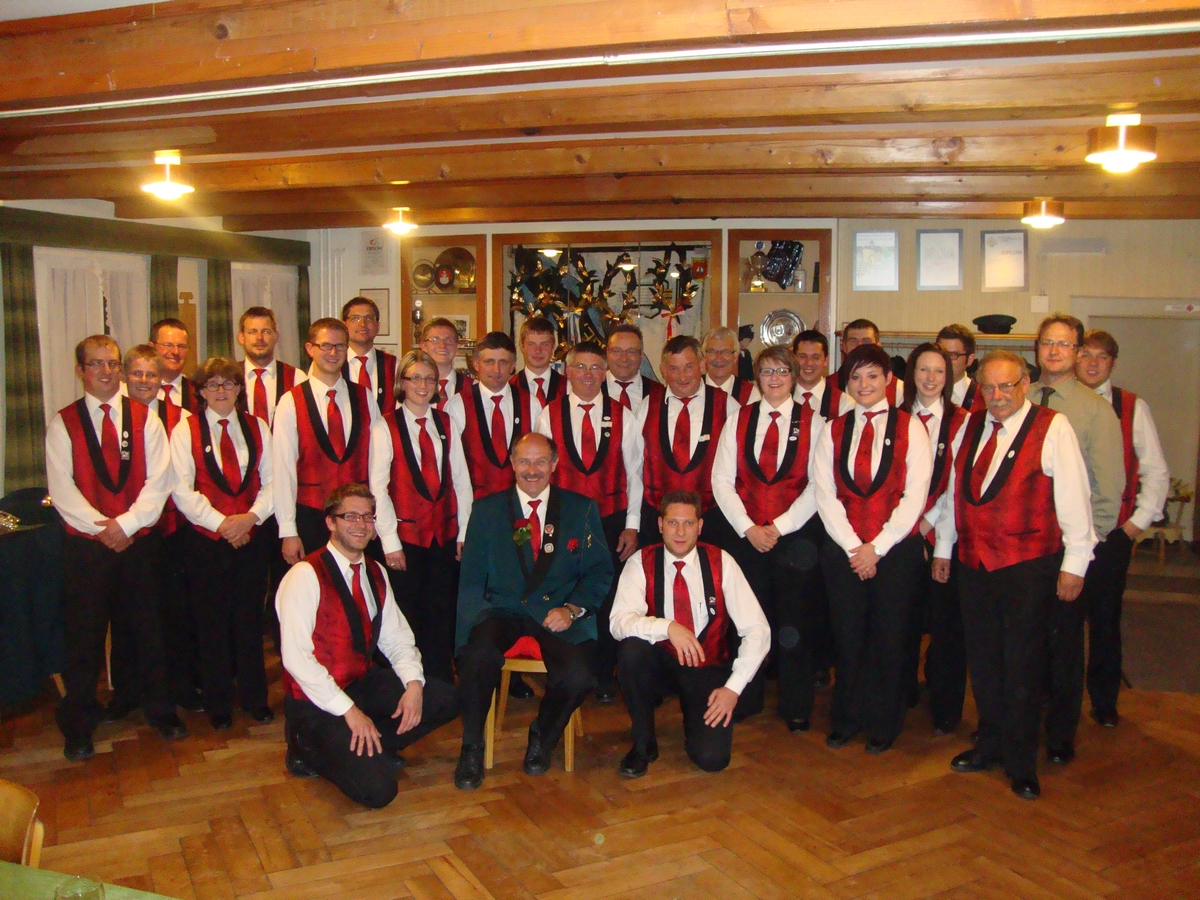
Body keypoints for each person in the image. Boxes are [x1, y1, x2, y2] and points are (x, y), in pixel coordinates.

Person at [934, 351, 1095, 800]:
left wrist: (1075, 564)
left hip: (1028, 565)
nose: (998, 395)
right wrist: (945, 547)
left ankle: (1022, 761)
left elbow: (1075, 497)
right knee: (984, 662)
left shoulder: (1053, 427)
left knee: (1023, 665)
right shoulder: (970, 426)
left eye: (1006, 386)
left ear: (1025, 384)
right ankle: (990, 744)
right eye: (989, 387)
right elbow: (953, 493)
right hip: (974, 564)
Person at [45, 335, 185, 760]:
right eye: (96, 364)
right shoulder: (63, 423)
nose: (105, 371)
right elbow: (61, 489)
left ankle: (160, 710)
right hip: (86, 549)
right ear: (80, 370)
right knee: (84, 639)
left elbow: (159, 481)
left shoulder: (147, 419)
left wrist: (126, 525)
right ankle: (79, 725)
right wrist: (102, 529)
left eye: (111, 364)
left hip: (138, 542)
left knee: (149, 629)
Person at [277, 483, 459, 809]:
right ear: (330, 522)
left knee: (445, 698)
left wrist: (413, 684)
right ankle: (305, 747)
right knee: (378, 791)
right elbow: (296, 659)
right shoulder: (304, 576)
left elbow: (397, 637)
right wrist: (349, 712)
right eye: (351, 516)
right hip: (315, 701)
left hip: (361, 682)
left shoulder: (375, 571)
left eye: (368, 517)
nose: (361, 524)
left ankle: (373, 745)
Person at [453, 433, 613, 790]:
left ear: (554, 464)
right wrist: (464, 639)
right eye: (524, 461)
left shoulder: (581, 508)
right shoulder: (487, 510)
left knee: (579, 676)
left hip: (558, 612)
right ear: (511, 463)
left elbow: (599, 571)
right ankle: (472, 746)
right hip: (502, 610)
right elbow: (472, 579)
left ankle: (543, 734)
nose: (532, 470)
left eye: (541, 461)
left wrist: (572, 609)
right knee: (475, 659)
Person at [812, 343, 931, 753]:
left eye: (873, 376)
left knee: (890, 637)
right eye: (856, 377)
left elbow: (915, 496)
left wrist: (876, 548)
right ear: (846, 383)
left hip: (895, 551)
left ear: (889, 380)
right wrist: (854, 547)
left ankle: (884, 721)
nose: (864, 384)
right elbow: (824, 494)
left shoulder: (912, 428)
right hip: (844, 551)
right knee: (847, 637)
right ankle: (847, 717)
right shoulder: (832, 429)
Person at [610, 490, 770, 776]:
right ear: (660, 524)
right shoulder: (640, 562)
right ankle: (643, 743)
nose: (680, 532)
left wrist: (733, 689)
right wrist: (668, 627)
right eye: (673, 523)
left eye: (688, 523)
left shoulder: (722, 562)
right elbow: (618, 622)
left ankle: (695, 716)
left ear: (700, 526)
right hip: (660, 663)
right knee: (631, 651)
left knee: (711, 760)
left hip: (706, 667)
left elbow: (758, 629)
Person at [1029, 314, 1125, 766]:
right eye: (1047, 342)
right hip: (1024, 548)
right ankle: (1023, 722)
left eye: (1064, 344)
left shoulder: (1095, 410)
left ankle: (1061, 734)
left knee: (1064, 645)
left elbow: (1108, 490)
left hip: (1070, 549)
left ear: (1077, 352)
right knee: (1026, 644)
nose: (1053, 351)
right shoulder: (1019, 396)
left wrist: (1083, 553)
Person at [712, 346, 822, 732]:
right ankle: (747, 695)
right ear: (756, 378)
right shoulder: (738, 420)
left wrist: (780, 526)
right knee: (747, 620)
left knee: (795, 622)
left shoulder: (815, 423)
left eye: (781, 371)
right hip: (747, 537)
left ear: (794, 376)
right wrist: (748, 528)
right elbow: (721, 480)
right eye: (766, 372)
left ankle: (796, 704)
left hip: (794, 540)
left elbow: (819, 485)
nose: (774, 379)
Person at [536, 340, 644, 702]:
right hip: (564, 521)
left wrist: (632, 524)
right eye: (580, 367)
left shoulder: (623, 415)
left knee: (607, 596)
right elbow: (541, 474)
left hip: (610, 520)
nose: (588, 374)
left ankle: (603, 673)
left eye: (596, 368)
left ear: (605, 372)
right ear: (567, 371)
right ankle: (568, 671)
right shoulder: (548, 415)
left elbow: (635, 474)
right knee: (565, 591)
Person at [170, 357, 275, 730]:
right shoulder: (185, 430)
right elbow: (181, 489)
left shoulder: (258, 426)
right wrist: (222, 524)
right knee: (211, 623)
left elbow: (273, 481)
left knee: (249, 620)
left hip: (251, 537)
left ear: (239, 389)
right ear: (200, 392)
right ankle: (218, 704)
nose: (220, 391)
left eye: (228, 383)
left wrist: (250, 518)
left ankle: (255, 698)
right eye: (212, 384)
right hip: (206, 541)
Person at [1075, 330, 1169, 728]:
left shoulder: (1132, 407)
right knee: (1059, 621)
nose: (1093, 363)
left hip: (1111, 534)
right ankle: (1055, 698)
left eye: (1102, 357)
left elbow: (1156, 471)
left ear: (1112, 363)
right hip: (1062, 534)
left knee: (1104, 619)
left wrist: (1135, 525)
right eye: (1086, 354)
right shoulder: (1058, 402)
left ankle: (1104, 700)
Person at [369, 350, 473, 683]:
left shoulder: (447, 422)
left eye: (429, 378)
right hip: (405, 539)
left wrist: (463, 532)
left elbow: (461, 479)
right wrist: (389, 542)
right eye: (415, 378)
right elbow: (378, 489)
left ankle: (440, 684)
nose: (423, 385)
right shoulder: (384, 426)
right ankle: (406, 684)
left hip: (443, 535)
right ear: (402, 383)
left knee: (441, 613)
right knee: (405, 615)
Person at [112, 345, 203, 719]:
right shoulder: (112, 415)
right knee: (125, 614)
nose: (145, 381)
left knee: (176, 611)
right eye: (137, 373)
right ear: (124, 376)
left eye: (151, 374)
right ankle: (126, 691)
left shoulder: (181, 418)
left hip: (172, 529)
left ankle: (180, 686)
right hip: (128, 530)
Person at [899, 343, 969, 733]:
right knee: (903, 619)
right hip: (897, 535)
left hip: (943, 532)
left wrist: (925, 527)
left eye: (939, 371)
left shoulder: (964, 422)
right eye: (923, 370)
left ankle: (944, 707)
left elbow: (958, 486)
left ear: (949, 377)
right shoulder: (893, 416)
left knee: (946, 626)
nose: (930, 378)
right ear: (912, 374)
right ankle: (903, 691)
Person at [275, 318, 380, 563]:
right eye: (325, 346)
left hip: (359, 518)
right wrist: (288, 530)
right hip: (311, 516)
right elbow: (283, 470)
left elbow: (377, 464)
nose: (333, 353)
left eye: (340, 346)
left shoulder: (364, 397)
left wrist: (377, 518)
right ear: (310, 349)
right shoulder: (291, 401)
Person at [635, 335, 732, 550]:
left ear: (702, 365)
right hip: (657, 520)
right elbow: (635, 466)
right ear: (663, 370)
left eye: (688, 367)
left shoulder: (727, 406)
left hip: (712, 519)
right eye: (674, 368)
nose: (681, 376)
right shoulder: (647, 406)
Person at [790, 329, 836, 684]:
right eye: (802, 357)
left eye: (815, 357)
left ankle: (819, 663)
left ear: (826, 361)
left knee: (819, 593)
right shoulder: (774, 392)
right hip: (785, 516)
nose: (808, 364)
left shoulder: (843, 401)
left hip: (826, 516)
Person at [446, 331, 527, 501]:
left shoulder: (530, 403)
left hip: (520, 504)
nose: (496, 370)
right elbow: (451, 466)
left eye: (503, 362)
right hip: (474, 504)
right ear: (476, 364)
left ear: (513, 365)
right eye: (489, 362)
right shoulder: (458, 405)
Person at [237, 306, 306, 427]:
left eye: (266, 331)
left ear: (276, 337)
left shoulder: (297, 378)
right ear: (241, 338)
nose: (259, 337)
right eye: (252, 332)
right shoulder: (229, 378)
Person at [822, 319, 902, 415]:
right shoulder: (826, 386)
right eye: (853, 341)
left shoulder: (899, 389)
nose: (859, 346)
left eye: (866, 341)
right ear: (843, 346)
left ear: (878, 345)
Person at [343, 295, 397, 413]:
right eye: (355, 318)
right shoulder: (333, 364)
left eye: (369, 318)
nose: (362, 324)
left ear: (378, 326)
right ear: (344, 325)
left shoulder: (394, 365)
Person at [513, 316, 563, 429]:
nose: (538, 350)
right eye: (531, 344)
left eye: (544, 344)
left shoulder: (568, 387)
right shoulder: (510, 386)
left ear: (553, 346)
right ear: (521, 346)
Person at [604, 323, 664, 413]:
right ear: (607, 352)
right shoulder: (592, 389)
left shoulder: (659, 393)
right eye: (617, 351)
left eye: (631, 352)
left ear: (641, 355)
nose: (624, 358)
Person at [420, 317, 473, 409]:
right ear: (424, 346)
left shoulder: (473, 388)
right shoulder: (413, 388)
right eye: (435, 339)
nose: (442, 345)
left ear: (457, 346)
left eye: (449, 340)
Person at [150, 318, 199, 413]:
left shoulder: (198, 393)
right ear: (151, 347)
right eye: (168, 345)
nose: (175, 352)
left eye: (181, 346)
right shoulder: (138, 390)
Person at [702, 326, 759, 406]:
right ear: (705, 356)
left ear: (735, 357)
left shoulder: (750, 394)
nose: (719, 359)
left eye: (726, 352)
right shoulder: (693, 389)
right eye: (712, 352)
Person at [937, 324, 986, 413]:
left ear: (969, 360)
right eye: (942, 354)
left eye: (953, 355)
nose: (945, 360)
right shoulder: (920, 394)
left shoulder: (983, 398)